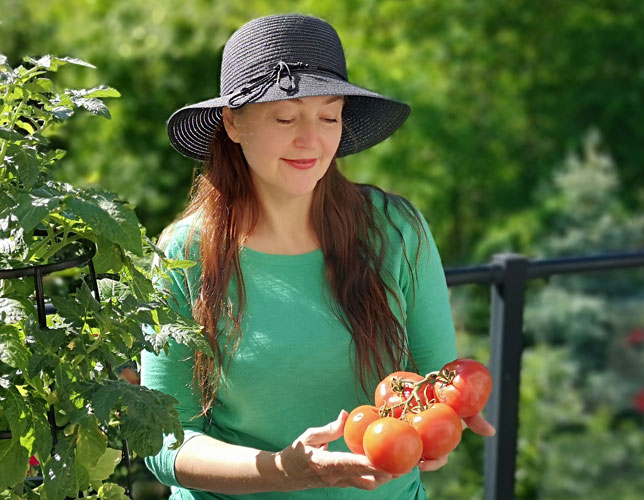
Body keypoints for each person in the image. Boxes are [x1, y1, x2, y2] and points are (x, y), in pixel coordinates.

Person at [140, 13, 494, 500]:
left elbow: (435, 388)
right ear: (233, 122)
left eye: (329, 116)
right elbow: (164, 440)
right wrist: (285, 470)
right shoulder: (184, 254)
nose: (311, 140)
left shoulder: (396, 232)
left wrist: (445, 419)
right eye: (285, 117)